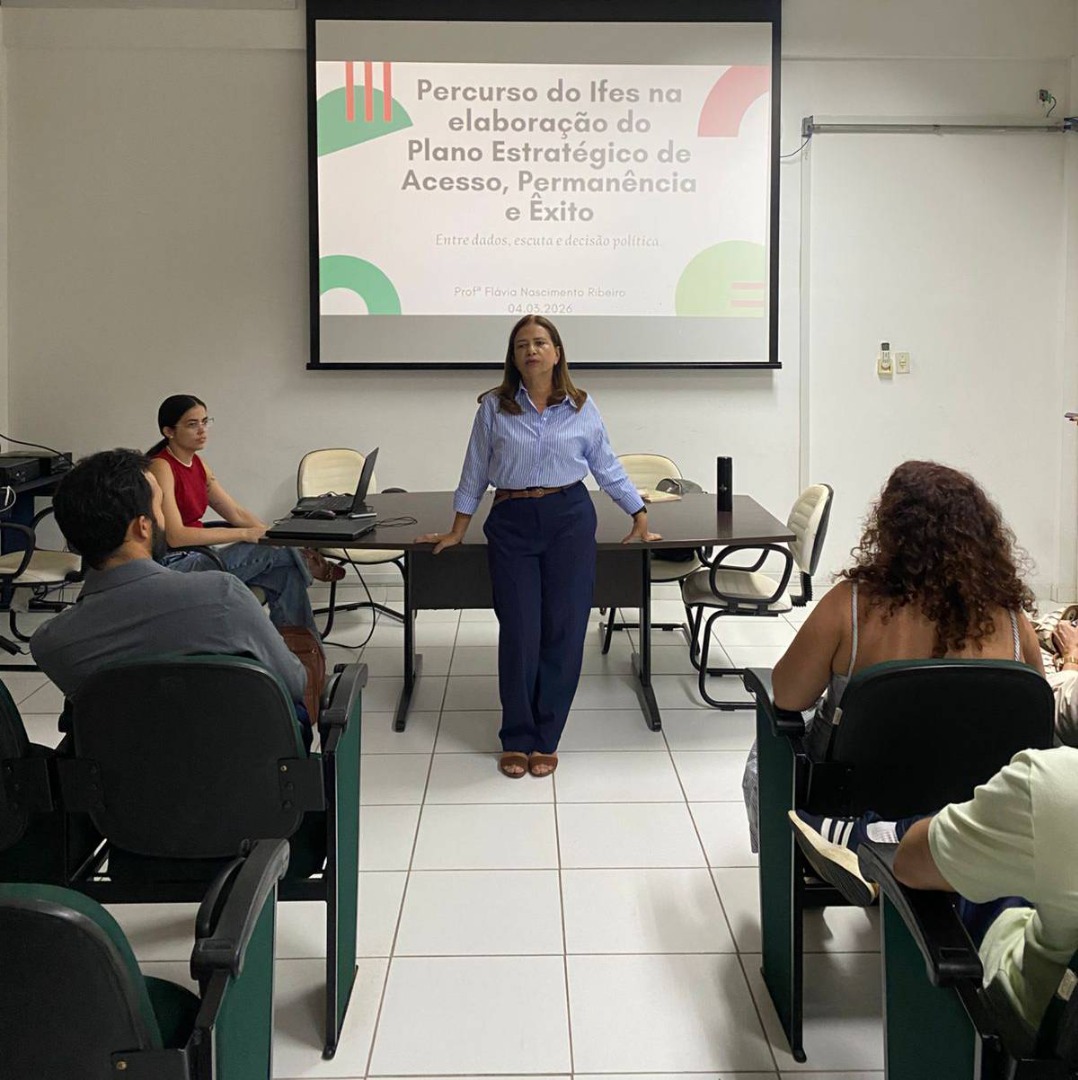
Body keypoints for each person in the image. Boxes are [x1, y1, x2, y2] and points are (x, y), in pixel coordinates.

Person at [744, 459, 1045, 852]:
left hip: (855, 798)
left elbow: (786, 696)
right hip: (977, 807)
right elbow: (1034, 716)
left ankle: (836, 844)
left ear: (889, 530)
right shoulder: (1011, 621)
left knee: (769, 743)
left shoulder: (850, 606)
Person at [416, 314, 660, 778]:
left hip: (569, 517)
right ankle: (517, 736)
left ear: (557, 352)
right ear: (513, 357)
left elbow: (605, 465)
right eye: (522, 344)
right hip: (511, 521)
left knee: (565, 631)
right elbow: (475, 471)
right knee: (521, 631)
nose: (531, 350)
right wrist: (457, 529)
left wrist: (637, 512)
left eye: (540, 342)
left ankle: (546, 736)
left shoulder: (582, 406)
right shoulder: (493, 407)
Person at [789, 747, 1078, 1040]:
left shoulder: (1058, 784)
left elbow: (908, 864)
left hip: (1035, 1025)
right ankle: (868, 838)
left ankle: (864, 840)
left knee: (949, 856)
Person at [30, 449, 311, 741]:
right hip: (250, 771)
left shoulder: (51, 643)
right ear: (142, 526)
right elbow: (294, 683)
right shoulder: (222, 596)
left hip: (125, 781)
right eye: (160, 507)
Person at [147, 394, 328, 638]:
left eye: (205, 421)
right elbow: (176, 536)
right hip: (177, 565)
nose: (202, 430)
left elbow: (235, 512)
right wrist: (247, 534)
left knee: (286, 573)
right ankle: (306, 560)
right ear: (168, 431)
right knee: (269, 549)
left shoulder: (198, 464)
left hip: (201, 556)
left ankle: (303, 657)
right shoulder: (162, 467)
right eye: (192, 424)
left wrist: (273, 535)